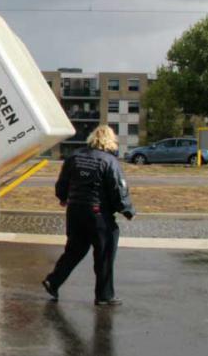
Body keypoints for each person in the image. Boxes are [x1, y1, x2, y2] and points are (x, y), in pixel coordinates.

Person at [43, 125, 135, 306]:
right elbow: (118, 188)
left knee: (74, 250)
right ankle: (104, 295)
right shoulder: (109, 161)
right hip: (98, 213)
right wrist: (127, 209)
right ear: (111, 141)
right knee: (104, 254)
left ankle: (53, 281)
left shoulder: (75, 157)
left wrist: (63, 197)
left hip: (75, 211)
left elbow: (62, 182)